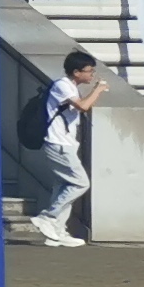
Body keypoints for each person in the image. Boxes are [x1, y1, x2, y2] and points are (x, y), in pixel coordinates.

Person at [34, 50, 99, 247]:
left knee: (63, 186)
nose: (92, 74)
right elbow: (83, 106)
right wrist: (98, 90)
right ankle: (48, 216)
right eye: (89, 71)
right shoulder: (62, 85)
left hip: (66, 144)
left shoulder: (71, 87)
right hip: (58, 144)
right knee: (80, 183)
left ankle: (57, 231)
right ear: (76, 72)